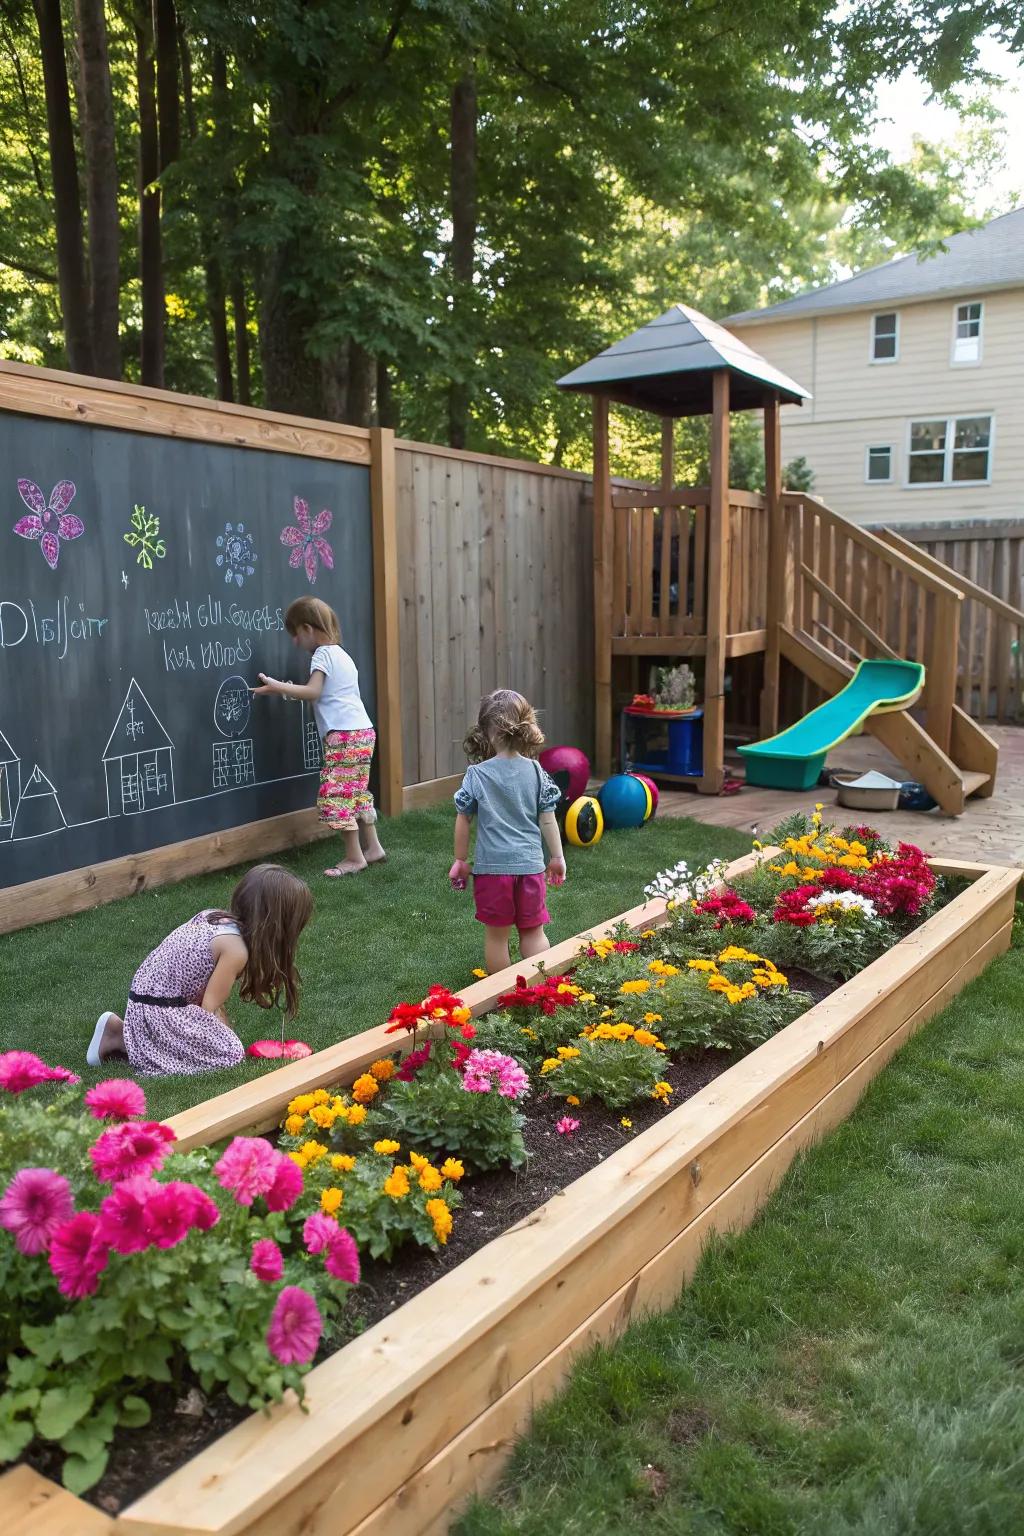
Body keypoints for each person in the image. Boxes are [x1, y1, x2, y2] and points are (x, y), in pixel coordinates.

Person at [86, 863, 313, 1075]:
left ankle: (121, 1030)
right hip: (160, 1011)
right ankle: (122, 1039)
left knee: (220, 1041)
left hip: (143, 1002)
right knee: (230, 1054)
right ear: (275, 924)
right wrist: (221, 1038)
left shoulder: (215, 917)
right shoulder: (236, 951)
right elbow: (208, 1009)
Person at [254, 596, 386, 877]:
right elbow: (326, 694)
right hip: (363, 732)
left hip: (344, 736)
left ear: (308, 628)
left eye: (295, 634)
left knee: (337, 793)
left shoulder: (322, 655)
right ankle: (373, 848)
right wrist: (288, 689)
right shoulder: (342, 655)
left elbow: (313, 692)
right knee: (356, 791)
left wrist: (277, 686)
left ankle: (354, 857)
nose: (294, 641)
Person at [450, 689, 567, 975]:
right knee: (533, 932)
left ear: (487, 732)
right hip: (530, 867)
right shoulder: (537, 772)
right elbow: (548, 820)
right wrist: (557, 857)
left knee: (496, 938)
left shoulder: (477, 774)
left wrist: (461, 860)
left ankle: (503, 998)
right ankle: (540, 991)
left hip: (492, 871)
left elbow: (463, 819)